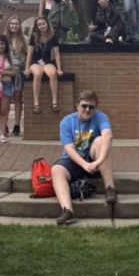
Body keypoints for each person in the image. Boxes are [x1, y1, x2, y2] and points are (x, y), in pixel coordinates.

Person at [51, 91, 117, 225]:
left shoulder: (100, 117)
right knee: (56, 169)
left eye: (91, 107)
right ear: (77, 106)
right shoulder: (66, 122)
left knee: (100, 140)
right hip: (75, 161)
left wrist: (98, 161)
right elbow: (69, 149)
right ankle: (67, 210)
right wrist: (84, 164)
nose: (87, 109)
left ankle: (110, 188)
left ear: (96, 108)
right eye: (84, 106)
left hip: (94, 162)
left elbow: (108, 136)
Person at [25, 16, 64, 113]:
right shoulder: (34, 37)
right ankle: (36, 103)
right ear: (36, 26)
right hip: (35, 62)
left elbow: (56, 54)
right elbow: (29, 54)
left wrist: (59, 69)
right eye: (39, 24)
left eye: (43, 23)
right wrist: (26, 68)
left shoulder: (53, 36)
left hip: (47, 61)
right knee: (38, 74)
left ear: (47, 24)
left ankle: (54, 102)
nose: (42, 26)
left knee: (53, 73)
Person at [5, 15, 28, 136]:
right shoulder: (4, 39)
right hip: (7, 72)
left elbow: (28, 56)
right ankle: (4, 125)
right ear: (9, 25)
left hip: (19, 72)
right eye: (12, 23)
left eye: (16, 24)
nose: (14, 26)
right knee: (6, 100)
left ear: (20, 26)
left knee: (18, 100)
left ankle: (17, 125)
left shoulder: (25, 39)